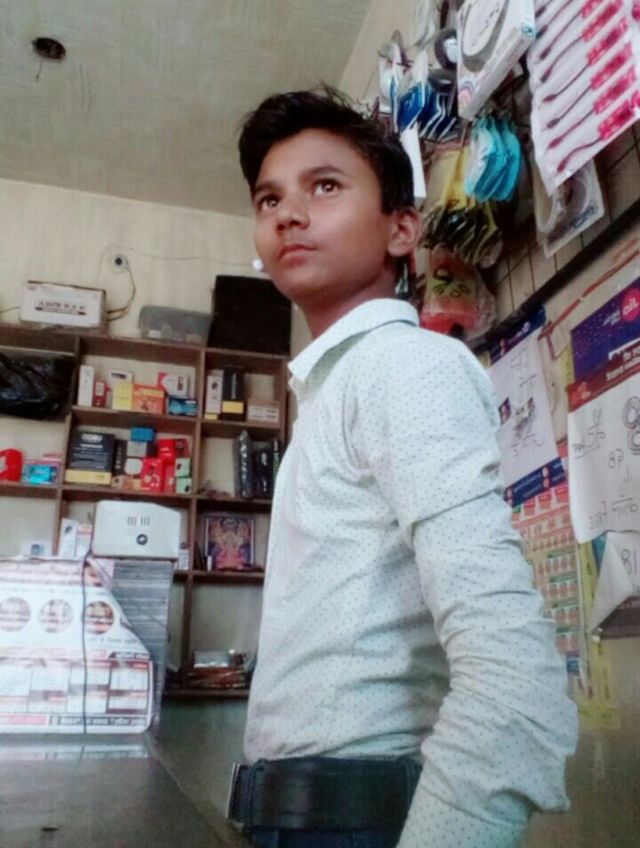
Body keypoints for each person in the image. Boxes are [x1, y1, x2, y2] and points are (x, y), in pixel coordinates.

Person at [227, 87, 578, 848]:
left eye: (325, 186)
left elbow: (516, 684)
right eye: (269, 198)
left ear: (401, 228)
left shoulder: (404, 366)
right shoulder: (338, 386)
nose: (288, 214)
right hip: (301, 814)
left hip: (353, 821)